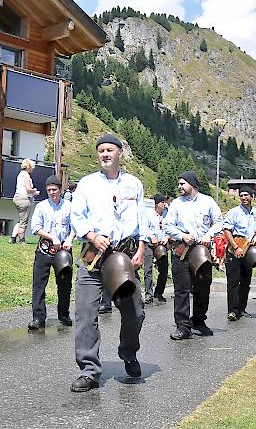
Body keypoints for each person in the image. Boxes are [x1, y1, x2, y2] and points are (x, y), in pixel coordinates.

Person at [69, 133, 147, 392]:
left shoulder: (134, 184)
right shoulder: (87, 184)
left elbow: (142, 219)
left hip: (124, 258)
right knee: (85, 315)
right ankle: (89, 370)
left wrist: (142, 249)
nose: (105, 154)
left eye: (110, 150)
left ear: (119, 153)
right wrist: (91, 234)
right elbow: (76, 216)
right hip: (93, 258)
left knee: (135, 311)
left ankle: (128, 352)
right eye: (101, 150)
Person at [165, 171, 223, 339]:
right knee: (181, 289)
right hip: (181, 251)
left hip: (201, 251)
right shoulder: (176, 203)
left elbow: (219, 221)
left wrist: (209, 235)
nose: (179, 187)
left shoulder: (208, 202)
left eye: (182, 183)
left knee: (203, 287)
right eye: (179, 184)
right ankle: (182, 326)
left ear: (192, 184)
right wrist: (182, 235)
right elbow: (167, 224)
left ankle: (199, 321)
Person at [28, 175, 75, 330]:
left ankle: (64, 314)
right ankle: (38, 318)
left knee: (64, 284)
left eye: (54, 189)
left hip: (64, 250)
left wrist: (69, 239)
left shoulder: (69, 206)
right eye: (49, 190)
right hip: (44, 249)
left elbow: (76, 227)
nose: (52, 193)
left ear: (60, 189)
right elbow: (35, 228)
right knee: (39, 284)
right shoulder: (41, 206)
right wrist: (52, 236)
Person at [222, 185, 256, 321]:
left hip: (248, 249)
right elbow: (226, 230)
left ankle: (241, 309)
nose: (244, 198)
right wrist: (235, 247)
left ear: (251, 197)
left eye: (246, 195)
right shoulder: (234, 212)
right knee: (233, 281)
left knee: (245, 280)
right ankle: (232, 310)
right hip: (235, 247)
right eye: (241, 195)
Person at [142, 194, 170, 304]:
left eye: (165, 202)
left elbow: (170, 228)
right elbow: (144, 228)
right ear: (157, 204)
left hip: (162, 245)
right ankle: (148, 293)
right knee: (148, 269)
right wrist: (151, 236)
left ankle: (159, 292)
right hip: (149, 244)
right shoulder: (148, 215)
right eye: (162, 202)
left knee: (163, 270)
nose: (164, 204)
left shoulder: (167, 216)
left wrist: (167, 237)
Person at [10, 158, 39, 244]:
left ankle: (12, 238)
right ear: (29, 166)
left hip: (17, 197)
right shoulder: (26, 175)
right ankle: (22, 240)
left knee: (21, 219)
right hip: (24, 199)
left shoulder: (20, 174)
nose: (33, 169)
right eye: (32, 167)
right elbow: (28, 189)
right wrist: (35, 190)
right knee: (24, 221)